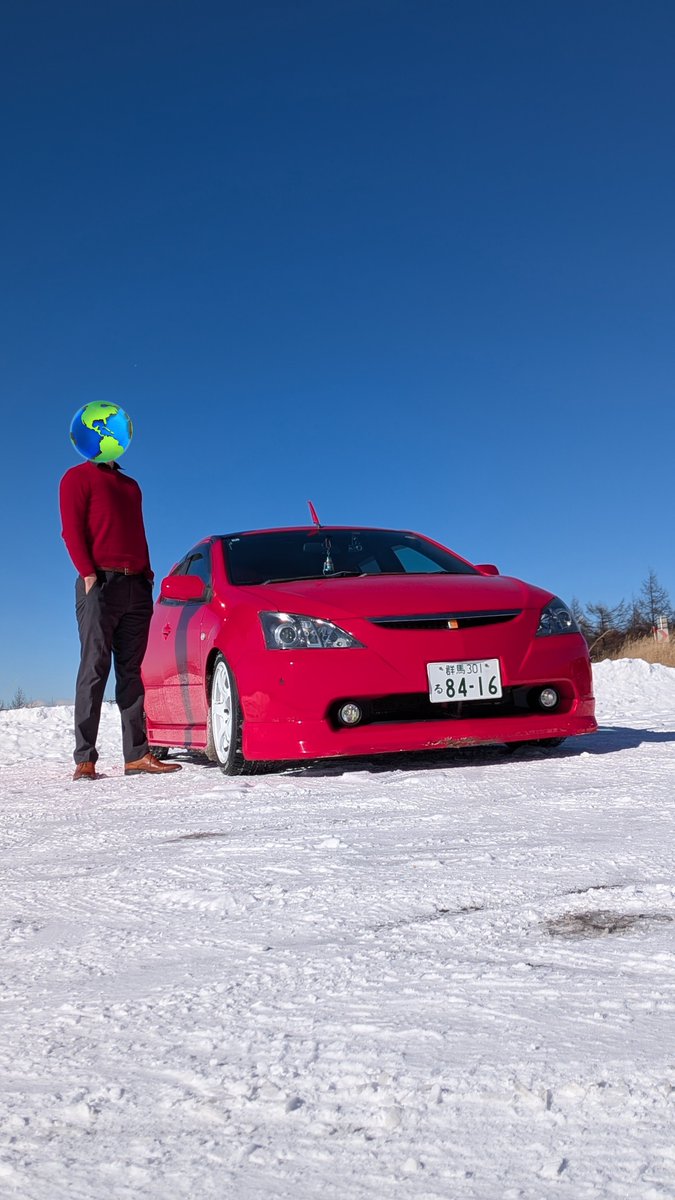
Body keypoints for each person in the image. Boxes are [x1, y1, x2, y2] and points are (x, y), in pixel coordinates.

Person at [59, 458, 182, 780]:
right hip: (99, 583)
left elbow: (135, 531)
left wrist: (147, 573)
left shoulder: (130, 486)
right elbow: (70, 529)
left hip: (136, 584)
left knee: (131, 672)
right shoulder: (77, 477)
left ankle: (137, 755)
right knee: (94, 668)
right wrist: (86, 573)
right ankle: (85, 759)